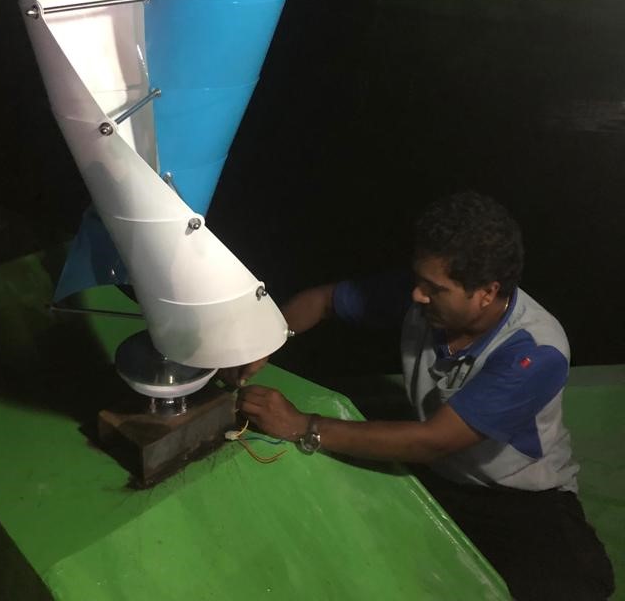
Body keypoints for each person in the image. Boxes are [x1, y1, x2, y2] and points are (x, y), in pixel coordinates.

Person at [230, 191, 614, 601]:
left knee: (579, 586)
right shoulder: (421, 297)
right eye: (418, 280)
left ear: (487, 292)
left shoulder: (535, 352)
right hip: (436, 472)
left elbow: (434, 441)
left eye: (435, 288)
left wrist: (302, 426)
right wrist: (264, 341)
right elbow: (321, 302)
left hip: (517, 498)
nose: (417, 295)